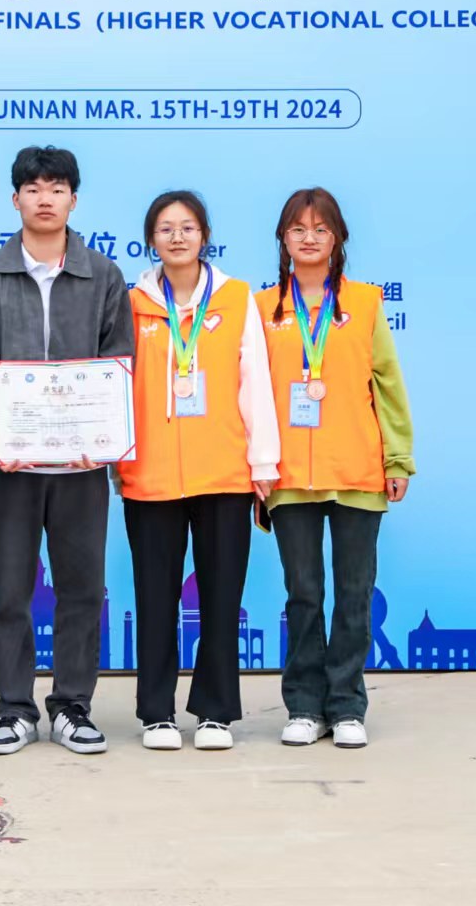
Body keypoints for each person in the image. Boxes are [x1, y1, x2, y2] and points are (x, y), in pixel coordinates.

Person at [0, 145, 133, 755]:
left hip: (81, 467)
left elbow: (119, 363)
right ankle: (14, 708)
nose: (44, 199)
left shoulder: (103, 275)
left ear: (73, 200)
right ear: (15, 199)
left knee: (81, 589)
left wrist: (102, 438)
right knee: (8, 590)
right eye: (33, 188)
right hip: (10, 466)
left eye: (56, 188)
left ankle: (72, 706)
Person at [116, 191, 280, 751]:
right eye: (166, 228)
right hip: (150, 475)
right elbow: (115, 383)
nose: (177, 237)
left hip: (224, 474)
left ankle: (215, 713)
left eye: (187, 227)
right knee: (155, 598)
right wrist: (116, 456)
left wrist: (263, 462)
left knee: (220, 597)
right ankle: (156, 713)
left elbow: (255, 383)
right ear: (151, 239)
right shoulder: (131, 303)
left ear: (204, 236)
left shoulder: (236, 298)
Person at [256, 188, 414, 750]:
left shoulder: (365, 303)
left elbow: (388, 385)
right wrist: (257, 463)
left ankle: (347, 705)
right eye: (298, 228)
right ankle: (304, 705)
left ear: (338, 238)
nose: (309, 238)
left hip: (357, 469)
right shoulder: (261, 308)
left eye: (321, 229)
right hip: (289, 476)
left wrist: (398, 457)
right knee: (303, 594)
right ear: (283, 238)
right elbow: (248, 393)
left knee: (353, 592)